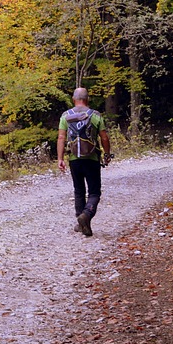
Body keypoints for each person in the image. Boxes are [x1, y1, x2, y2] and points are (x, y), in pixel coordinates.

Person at [56, 87, 112, 237]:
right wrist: (107, 154)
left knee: (79, 190)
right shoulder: (95, 116)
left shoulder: (66, 116)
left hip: (74, 159)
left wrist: (60, 158)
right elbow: (104, 138)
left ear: (74, 99)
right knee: (94, 192)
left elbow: (61, 138)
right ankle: (86, 215)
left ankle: (81, 222)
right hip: (92, 158)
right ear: (87, 99)